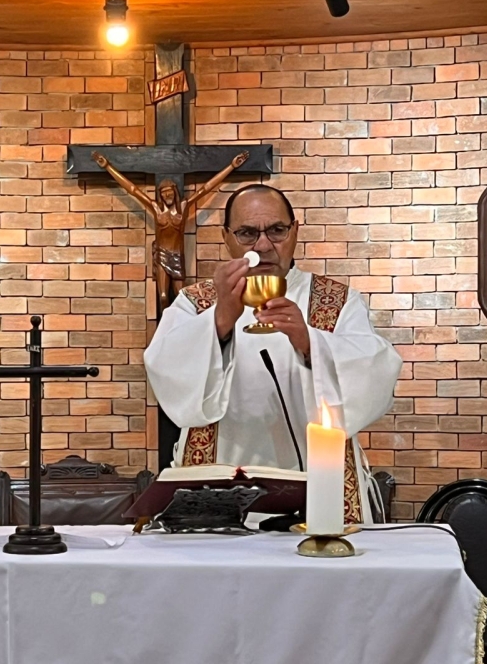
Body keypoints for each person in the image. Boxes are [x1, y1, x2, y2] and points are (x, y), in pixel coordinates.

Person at [144, 184, 402, 523]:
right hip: (219, 477)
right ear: (226, 237)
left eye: (277, 230)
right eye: (247, 233)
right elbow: (164, 368)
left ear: (295, 231)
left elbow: (377, 372)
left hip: (315, 484)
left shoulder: (337, 302)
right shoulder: (197, 303)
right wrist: (219, 322)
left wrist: (311, 343)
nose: (263, 246)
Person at [92, 150, 249, 312]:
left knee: (183, 297)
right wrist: (108, 167)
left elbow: (205, 189)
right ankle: (165, 325)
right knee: (163, 297)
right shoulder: (156, 208)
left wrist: (231, 166)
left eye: (170, 191)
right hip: (162, 255)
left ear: (175, 192)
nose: (167, 195)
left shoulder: (183, 206)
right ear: (160, 195)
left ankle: (181, 324)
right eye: (163, 192)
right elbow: (133, 190)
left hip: (177, 256)